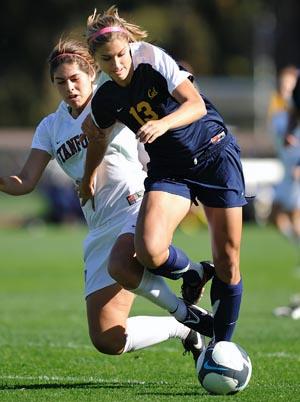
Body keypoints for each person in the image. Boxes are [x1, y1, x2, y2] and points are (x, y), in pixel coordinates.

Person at [0, 38, 213, 360]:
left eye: (76, 79)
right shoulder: (50, 126)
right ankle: (182, 328)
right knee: (107, 339)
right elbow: (25, 182)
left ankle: (187, 310)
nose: (69, 87)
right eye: (61, 82)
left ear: (91, 75)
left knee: (124, 264)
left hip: (135, 203)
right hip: (99, 226)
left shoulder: (110, 99)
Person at [80, 6, 246, 344]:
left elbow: (196, 105)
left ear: (130, 45)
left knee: (228, 258)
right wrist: (88, 176)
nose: (118, 64)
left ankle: (222, 345)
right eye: (108, 60)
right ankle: (194, 273)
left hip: (214, 155)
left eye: (121, 55)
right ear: (97, 62)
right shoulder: (106, 97)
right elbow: (97, 135)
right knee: (150, 251)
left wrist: (163, 123)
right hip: (171, 170)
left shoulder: (153, 59)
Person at [273, 69, 300, 320]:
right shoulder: (282, 115)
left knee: (294, 219)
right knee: (277, 217)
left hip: (297, 173)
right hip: (287, 173)